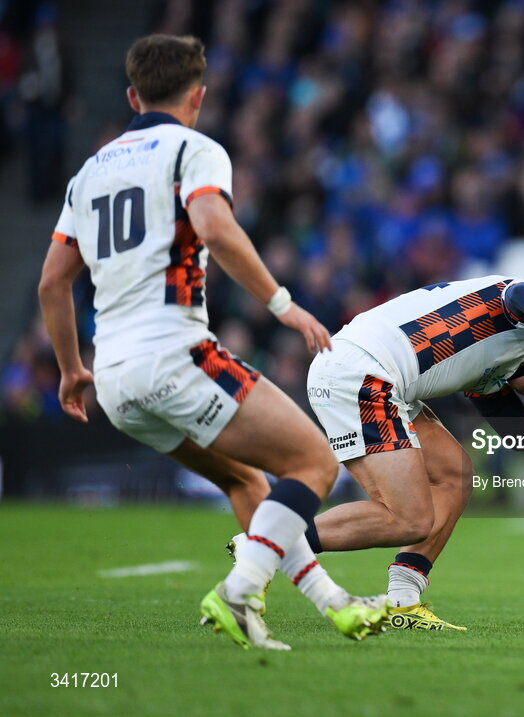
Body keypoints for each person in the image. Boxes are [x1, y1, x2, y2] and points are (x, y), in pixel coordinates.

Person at [37, 34, 388, 651]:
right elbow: (215, 228)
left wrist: (70, 369)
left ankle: (330, 603)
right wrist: (284, 305)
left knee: (245, 483)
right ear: (197, 97)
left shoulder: (87, 175)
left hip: (115, 382)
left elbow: (51, 283)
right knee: (315, 462)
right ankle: (235, 592)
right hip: (174, 354)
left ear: (131, 95)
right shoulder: (193, 149)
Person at [285, 275, 524, 630]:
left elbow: (522, 435)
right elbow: (523, 292)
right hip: (364, 374)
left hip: (366, 370)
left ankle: (402, 599)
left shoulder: (492, 366)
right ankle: (269, 542)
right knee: (409, 519)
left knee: (456, 473)